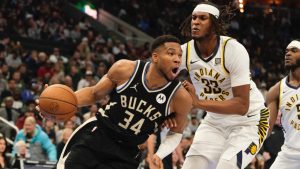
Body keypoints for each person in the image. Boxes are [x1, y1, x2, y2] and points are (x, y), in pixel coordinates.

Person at [39, 35, 192, 169]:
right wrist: (56, 105)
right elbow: (94, 94)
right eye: (171, 53)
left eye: (180, 55)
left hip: (128, 152)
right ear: (155, 57)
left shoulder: (180, 98)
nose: (177, 59)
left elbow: (176, 133)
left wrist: (158, 154)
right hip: (98, 135)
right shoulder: (125, 69)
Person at [179, 2, 269, 169]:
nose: (195, 22)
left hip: (250, 120)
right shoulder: (185, 52)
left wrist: (198, 103)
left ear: (214, 25)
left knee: (228, 165)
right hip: (214, 121)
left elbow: (242, 105)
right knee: (192, 165)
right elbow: (158, 71)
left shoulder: (233, 49)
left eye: (202, 18)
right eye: (194, 18)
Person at [266, 39, 300, 169]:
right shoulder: (275, 91)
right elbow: (266, 129)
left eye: (294, 50)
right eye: (286, 51)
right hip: (289, 154)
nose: (288, 53)